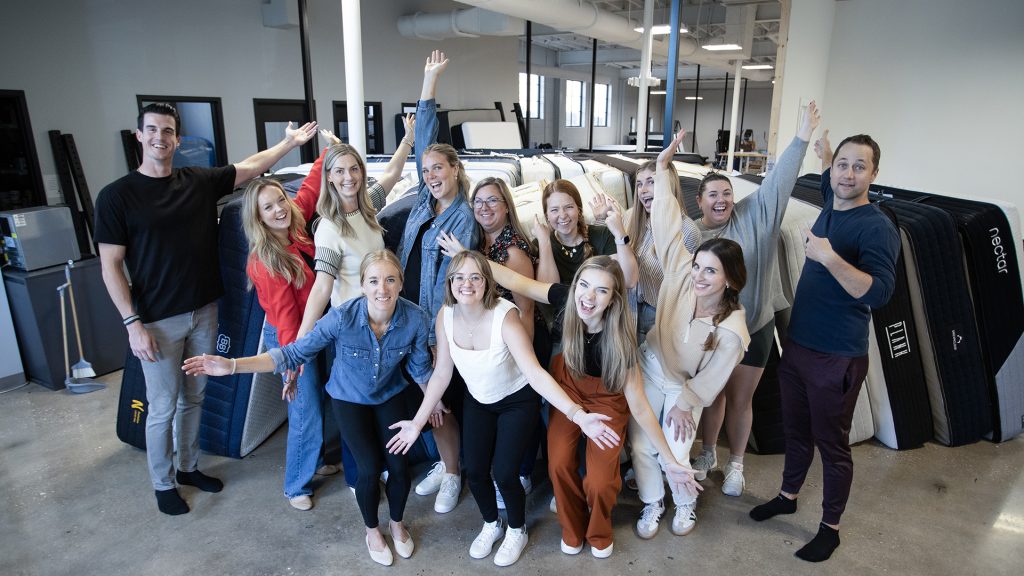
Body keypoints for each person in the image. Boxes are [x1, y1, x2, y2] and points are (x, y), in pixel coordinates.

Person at [95, 102, 316, 516]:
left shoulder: (196, 181)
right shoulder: (116, 197)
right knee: (162, 406)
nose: (160, 137)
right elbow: (110, 266)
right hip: (157, 321)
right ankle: (163, 485)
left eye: (167, 131)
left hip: (203, 312)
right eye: (152, 130)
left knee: (194, 397)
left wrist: (288, 143)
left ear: (177, 139)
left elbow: (249, 168)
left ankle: (188, 467)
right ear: (139, 136)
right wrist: (131, 323)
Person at [434, 236, 702, 559]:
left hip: (607, 399)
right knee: (559, 463)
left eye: (601, 291)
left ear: (614, 299)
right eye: (584, 286)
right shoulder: (566, 300)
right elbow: (516, 280)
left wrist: (670, 462)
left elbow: (641, 408)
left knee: (600, 481)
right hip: (568, 388)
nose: (588, 297)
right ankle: (572, 528)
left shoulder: (620, 341)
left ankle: (599, 531)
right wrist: (468, 260)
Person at [183, 250, 434, 566]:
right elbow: (291, 354)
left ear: (400, 284)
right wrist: (232, 365)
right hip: (349, 398)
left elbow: (421, 367)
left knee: (399, 467)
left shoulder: (415, 318)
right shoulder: (342, 318)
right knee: (369, 468)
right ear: (363, 286)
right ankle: (372, 531)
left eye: (389, 280)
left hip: (389, 394)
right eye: (373, 281)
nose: (382, 289)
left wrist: (432, 402)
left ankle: (397, 524)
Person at [387, 251, 623, 567]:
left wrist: (577, 414)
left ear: (487, 282)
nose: (466, 284)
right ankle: (491, 523)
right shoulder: (446, 315)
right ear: (449, 283)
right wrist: (417, 423)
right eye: (458, 277)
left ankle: (516, 528)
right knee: (475, 468)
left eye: (475, 277)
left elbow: (535, 373)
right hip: (479, 401)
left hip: (516, 400)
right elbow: (442, 372)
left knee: (505, 472)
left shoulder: (505, 316)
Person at [748, 131, 899, 563]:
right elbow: (835, 180)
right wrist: (825, 153)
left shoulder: (877, 227)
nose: (847, 173)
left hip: (837, 357)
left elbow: (879, 292)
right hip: (798, 346)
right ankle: (788, 494)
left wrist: (830, 258)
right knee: (796, 432)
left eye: (859, 166)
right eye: (842, 165)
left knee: (831, 445)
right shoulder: (833, 204)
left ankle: (829, 528)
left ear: (874, 173)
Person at [691, 101, 821, 498]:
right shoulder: (694, 235)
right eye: (712, 194)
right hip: (712, 331)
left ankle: (736, 465)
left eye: (726, 193)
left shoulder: (755, 216)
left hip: (756, 325)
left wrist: (801, 137)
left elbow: (780, 181)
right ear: (699, 201)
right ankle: (708, 454)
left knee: (741, 399)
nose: (721, 199)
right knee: (711, 395)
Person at [629, 131, 751, 540]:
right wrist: (661, 169)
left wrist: (686, 404)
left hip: (686, 387)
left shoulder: (731, 329)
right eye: (698, 266)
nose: (699, 275)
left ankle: (684, 503)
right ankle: (652, 502)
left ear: (730, 280)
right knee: (644, 443)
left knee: (677, 447)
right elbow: (665, 223)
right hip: (652, 363)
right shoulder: (682, 273)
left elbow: (711, 379)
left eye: (710, 271)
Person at [397, 51, 479, 515]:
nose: (430, 177)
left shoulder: (461, 219)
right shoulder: (422, 207)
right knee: (428, 403)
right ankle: (447, 465)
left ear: (455, 171)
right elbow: (426, 142)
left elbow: (456, 286)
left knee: (440, 404)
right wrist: (427, 83)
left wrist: (433, 338)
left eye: (439, 170)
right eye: (426, 171)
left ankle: (453, 474)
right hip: (407, 318)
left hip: (432, 327)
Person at [470, 177, 546, 504]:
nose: (485, 208)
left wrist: (522, 358)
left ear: (506, 206)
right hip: (495, 343)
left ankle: (522, 472)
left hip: (521, 339)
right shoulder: (479, 242)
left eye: (492, 201)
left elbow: (526, 308)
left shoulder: (512, 249)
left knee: (522, 407)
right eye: (479, 202)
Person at [535, 179, 637, 288]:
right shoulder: (541, 243)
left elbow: (629, 281)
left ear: (579, 210)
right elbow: (547, 293)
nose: (563, 215)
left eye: (569, 207)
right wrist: (544, 242)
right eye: (554, 210)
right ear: (547, 216)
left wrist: (620, 232)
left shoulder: (602, 235)